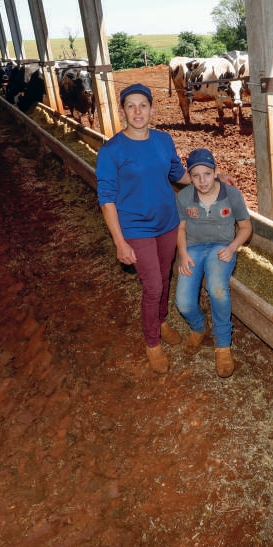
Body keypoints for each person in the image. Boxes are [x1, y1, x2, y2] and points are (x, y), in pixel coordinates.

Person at [96, 83, 189, 374]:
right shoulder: (111, 151)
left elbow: (177, 173)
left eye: (143, 105)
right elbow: (107, 200)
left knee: (164, 276)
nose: (138, 111)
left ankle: (160, 321)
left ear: (151, 108)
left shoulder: (163, 140)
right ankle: (152, 343)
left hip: (167, 222)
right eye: (131, 106)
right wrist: (120, 243)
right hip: (135, 228)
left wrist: (212, 178)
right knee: (153, 286)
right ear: (122, 110)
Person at [175, 148, 252, 378]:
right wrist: (183, 253)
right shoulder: (184, 196)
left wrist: (232, 247)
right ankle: (199, 327)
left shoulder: (231, 195)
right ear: (189, 176)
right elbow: (180, 228)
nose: (202, 180)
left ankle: (222, 344)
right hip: (194, 247)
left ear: (216, 172)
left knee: (217, 289)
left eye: (207, 174)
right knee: (183, 302)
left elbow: (246, 227)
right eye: (195, 175)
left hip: (221, 247)